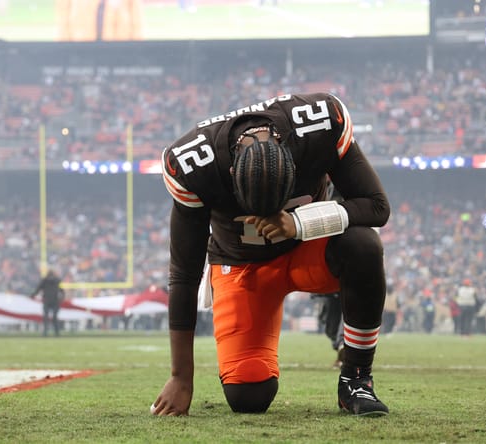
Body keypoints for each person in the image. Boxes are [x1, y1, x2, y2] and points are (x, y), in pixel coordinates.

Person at [153, 92, 391, 417]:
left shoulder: (320, 126)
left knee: (363, 246)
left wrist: (296, 222)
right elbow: (184, 273)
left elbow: (377, 206)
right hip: (241, 266)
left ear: (294, 161)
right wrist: (181, 377)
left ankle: (356, 380)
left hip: (308, 247)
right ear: (231, 171)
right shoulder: (194, 164)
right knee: (248, 396)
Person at [31, 270, 66, 336]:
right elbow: (62, 291)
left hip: (48, 301)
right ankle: (56, 333)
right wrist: (62, 298)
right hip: (55, 301)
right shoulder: (56, 280)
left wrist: (32, 295)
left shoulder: (45, 281)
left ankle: (46, 332)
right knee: (54, 318)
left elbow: (38, 289)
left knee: (46, 318)